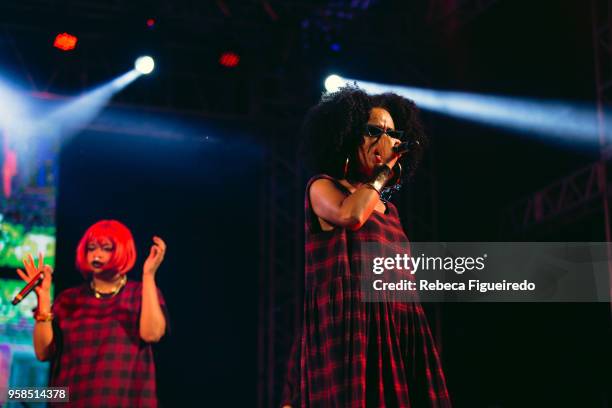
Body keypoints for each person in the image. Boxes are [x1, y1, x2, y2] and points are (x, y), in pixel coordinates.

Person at [281, 85, 451, 407]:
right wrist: (384, 175)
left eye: (391, 133)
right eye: (373, 131)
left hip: (398, 326)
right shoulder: (322, 187)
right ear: (347, 134)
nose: (384, 141)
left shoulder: (391, 211)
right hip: (351, 328)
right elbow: (351, 215)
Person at [16, 219, 168, 407]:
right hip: (74, 398)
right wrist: (44, 298)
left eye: (106, 248)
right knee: (15, 394)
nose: (97, 254)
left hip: (124, 399)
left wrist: (148, 275)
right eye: (92, 248)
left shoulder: (139, 293)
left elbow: (151, 333)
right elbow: (43, 353)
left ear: (123, 251)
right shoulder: (69, 299)